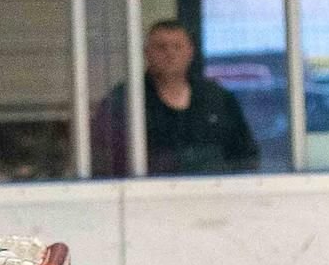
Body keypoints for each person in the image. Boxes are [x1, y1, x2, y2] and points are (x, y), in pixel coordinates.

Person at [91, 19, 259, 177]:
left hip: (212, 197)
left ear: (190, 52)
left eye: (177, 47)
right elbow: (102, 160)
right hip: (146, 199)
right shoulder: (124, 101)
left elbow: (246, 155)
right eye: (161, 47)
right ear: (147, 53)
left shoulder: (217, 99)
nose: (170, 54)